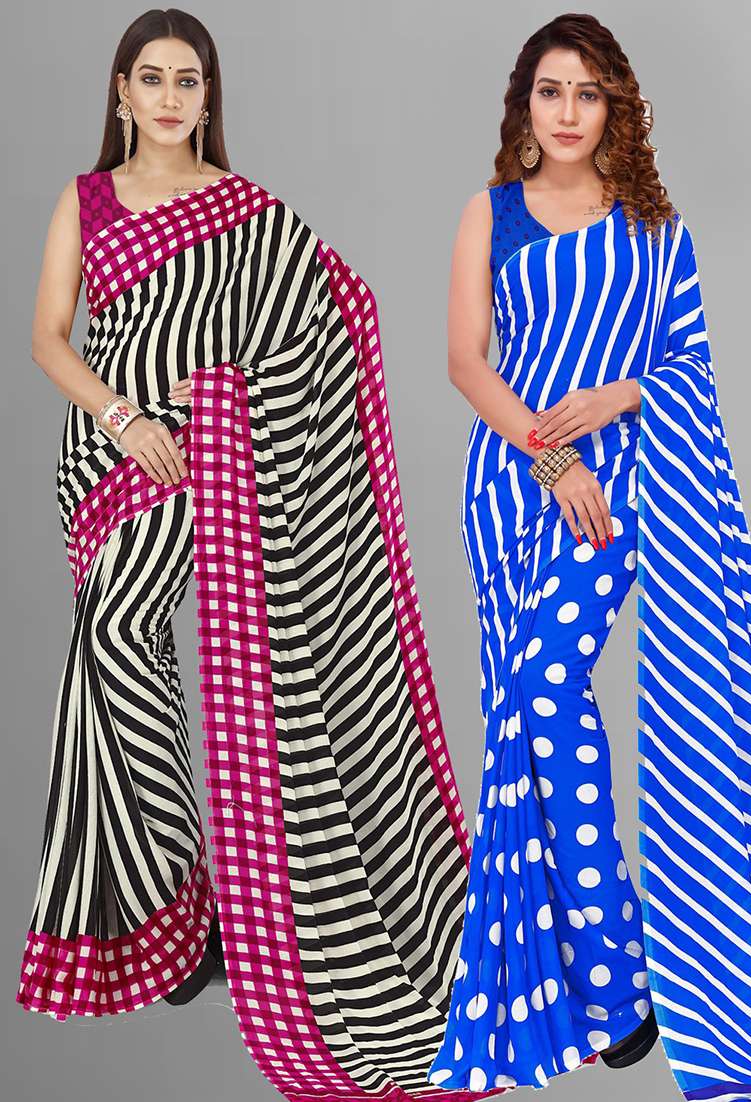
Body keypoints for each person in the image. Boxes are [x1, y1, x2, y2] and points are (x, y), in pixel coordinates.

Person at [18, 12, 482, 1102]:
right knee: (113, 645)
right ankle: (183, 898)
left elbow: (342, 312)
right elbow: (46, 337)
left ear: (207, 97)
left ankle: (196, 906)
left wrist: (228, 401)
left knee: (133, 639)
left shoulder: (245, 211)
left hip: (214, 454)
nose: (170, 97)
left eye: (189, 80)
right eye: (151, 78)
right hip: (108, 450)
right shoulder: (86, 201)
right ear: (121, 92)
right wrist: (125, 416)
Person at [427, 13, 751, 1100]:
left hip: (621, 488)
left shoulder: (655, 227)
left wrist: (618, 396)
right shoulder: (489, 213)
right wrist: (550, 455)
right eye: (550, 92)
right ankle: (602, 982)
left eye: (587, 93)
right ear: (524, 105)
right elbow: (465, 361)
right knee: (523, 716)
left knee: (546, 693)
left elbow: (688, 362)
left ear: (615, 109)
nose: (567, 113)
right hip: (511, 482)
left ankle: (612, 978)